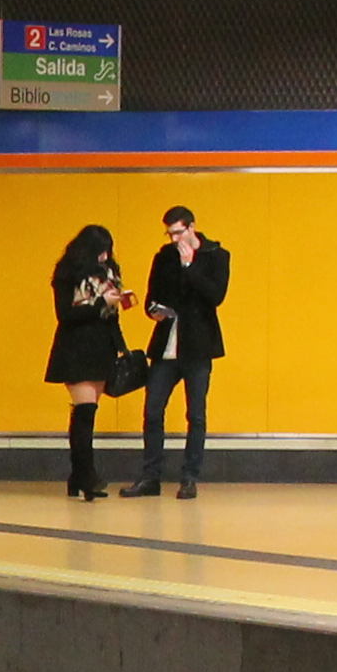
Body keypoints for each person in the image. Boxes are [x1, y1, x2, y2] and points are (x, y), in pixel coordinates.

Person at [119, 203, 233, 499]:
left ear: (192, 227)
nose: (173, 239)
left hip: (198, 346)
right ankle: (150, 477)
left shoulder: (217, 255)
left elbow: (215, 296)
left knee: (196, 414)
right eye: (169, 234)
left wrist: (190, 266)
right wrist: (153, 310)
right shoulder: (164, 257)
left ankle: (189, 477)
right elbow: (152, 296)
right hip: (166, 344)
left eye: (178, 233)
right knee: (153, 410)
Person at [46, 223, 130, 502]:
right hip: (77, 347)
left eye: (108, 251)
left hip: (103, 346)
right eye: (101, 251)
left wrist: (121, 343)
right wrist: (99, 303)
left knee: (89, 412)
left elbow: (112, 316)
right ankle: (87, 475)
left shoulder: (109, 273)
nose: (105, 256)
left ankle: (77, 476)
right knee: (85, 412)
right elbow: (65, 315)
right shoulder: (67, 274)